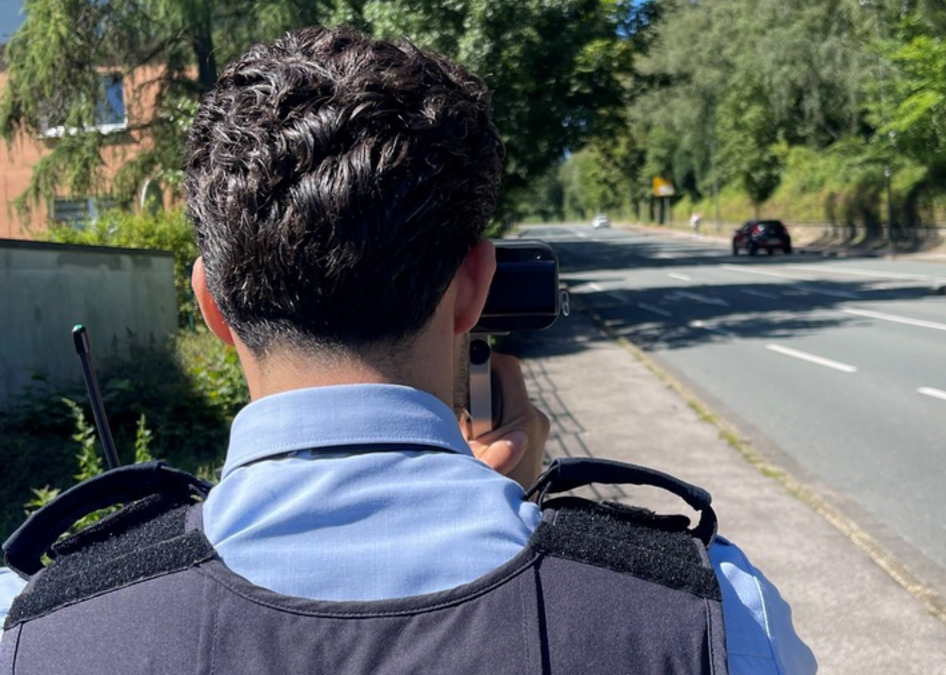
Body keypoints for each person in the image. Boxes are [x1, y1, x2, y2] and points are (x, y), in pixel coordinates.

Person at [0, 26, 815, 675]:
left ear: (211, 303)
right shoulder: (714, 613)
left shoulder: (31, 622)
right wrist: (522, 518)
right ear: (474, 287)